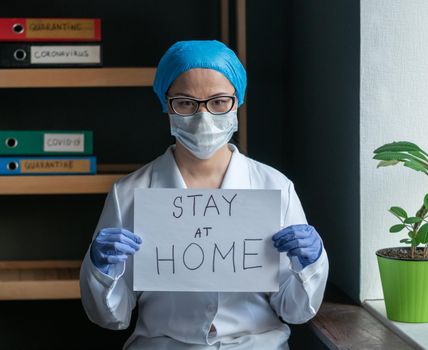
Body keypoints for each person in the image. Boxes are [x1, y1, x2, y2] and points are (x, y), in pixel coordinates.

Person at [80, 40, 329, 350]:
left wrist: (311, 264)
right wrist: (100, 269)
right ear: (165, 103)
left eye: (219, 101)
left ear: (237, 102)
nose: (203, 116)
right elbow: (111, 317)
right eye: (185, 102)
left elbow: (294, 310)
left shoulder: (275, 187)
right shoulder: (129, 193)